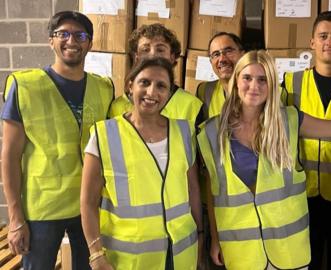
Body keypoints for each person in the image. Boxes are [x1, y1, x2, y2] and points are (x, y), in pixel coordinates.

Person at [197, 50, 331, 270]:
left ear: (272, 85)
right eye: (247, 78)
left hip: (287, 247)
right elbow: (213, 190)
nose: (254, 86)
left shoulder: (289, 120)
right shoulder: (212, 131)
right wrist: (215, 238)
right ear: (236, 81)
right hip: (241, 248)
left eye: (262, 79)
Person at [1, 11, 114, 269]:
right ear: (50, 40)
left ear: (90, 43)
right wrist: (15, 217)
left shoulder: (104, 88)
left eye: (80, 35)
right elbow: (9, 155)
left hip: (89, 204)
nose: (71, 40)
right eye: (62, 33)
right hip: (43, 208)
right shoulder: (25, 86)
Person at [81, 57, 202, 269]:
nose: (152, 92)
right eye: (144, 82)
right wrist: (96, 254)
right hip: (129, 259)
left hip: (180, 252)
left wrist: (200, 235)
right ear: (130, 85)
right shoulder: (104, 134)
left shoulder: (184, 132)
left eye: (161, 86)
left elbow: (192, 189)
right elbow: (88, 202)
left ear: (169, 93)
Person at [282, 10, 331, 269]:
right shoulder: (291, 82)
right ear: (312, 42)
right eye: (323, 36)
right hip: (302, 195)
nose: (329, 42)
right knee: (304, 263)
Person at [109, 23, 202, 121]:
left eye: (160, 50)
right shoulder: (117, 107)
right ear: (136, 57)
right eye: (145, 49)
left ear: (172, 57)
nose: (152, 55)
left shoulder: (192, 106)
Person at [196, 32, 245, 122]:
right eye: (216, 54)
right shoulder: (204, 91)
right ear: (211, 62)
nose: (222, 59)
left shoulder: (261, 89)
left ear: (243, 55)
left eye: (228, 51)